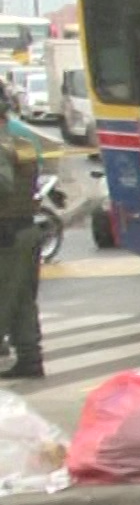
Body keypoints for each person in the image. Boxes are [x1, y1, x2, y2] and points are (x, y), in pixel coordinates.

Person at [0, 96, 44, 380]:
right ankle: (30, 358)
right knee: (22, 300)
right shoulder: (21, 142)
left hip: (7, 234)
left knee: (4, 298)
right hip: (25, 229)